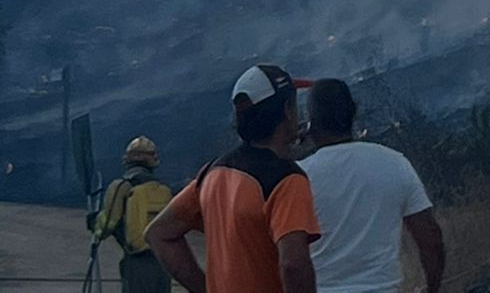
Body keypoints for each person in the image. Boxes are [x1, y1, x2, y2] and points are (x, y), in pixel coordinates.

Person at [147, 63, 321, 293]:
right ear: (287, 111)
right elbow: (293, 264)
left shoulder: (212, 172)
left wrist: (206, 288)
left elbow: (159, 234)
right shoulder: (286, 179)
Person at [302, 79, 444, 293]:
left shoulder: (298, 177)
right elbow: (431, 238)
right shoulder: (394, 163)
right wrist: (432, 289)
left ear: (310, 122)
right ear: (354, 111)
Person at [91, 137, 173, 293]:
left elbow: (108, 224)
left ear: (127, 160)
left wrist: (95, 223)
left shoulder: (121, 186)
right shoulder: (163, 189)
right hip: (162, 263)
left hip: (136, 263)